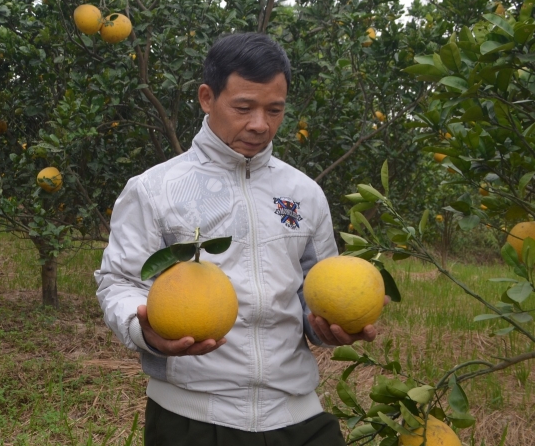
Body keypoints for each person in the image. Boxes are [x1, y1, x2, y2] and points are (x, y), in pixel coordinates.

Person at [95, 33, 385, 446]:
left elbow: (316, 291)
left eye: (274, 110)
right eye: (244, 108)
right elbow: (119, 282)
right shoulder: (155, 189)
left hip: (297, 414)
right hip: (192, 416)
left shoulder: (303, 193)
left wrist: (330, 328)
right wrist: (143, 331)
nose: (260, 124)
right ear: (207, 98)